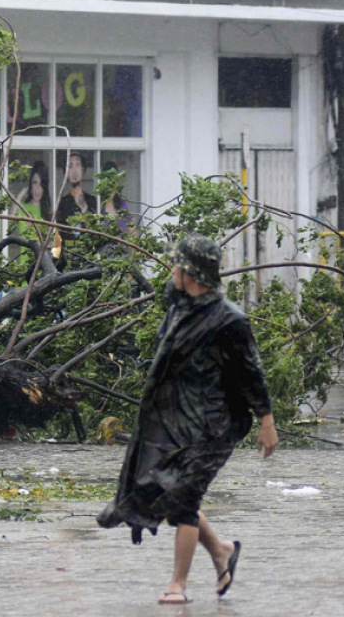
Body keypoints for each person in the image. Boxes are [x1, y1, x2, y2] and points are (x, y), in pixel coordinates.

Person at [97, 234, 279, 605]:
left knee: (183, 498)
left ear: (191, 273)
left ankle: (177, 584)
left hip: (215, 425)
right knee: (170, 490)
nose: (172, 270)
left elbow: (251, 372)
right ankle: (222, 551)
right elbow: (171, 300)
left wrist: (267, 420)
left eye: (178, 266)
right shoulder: (180, 307)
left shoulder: (230, 320)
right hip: (176, 421)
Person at [55, 151, 98, 231]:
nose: (74, 170)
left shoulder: (92, 200)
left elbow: (93, 227)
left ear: (83, 169)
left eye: (78, 164)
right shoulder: (62, 202)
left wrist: (83, 206)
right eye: (70, 166)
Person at [13, 160, 51, 242]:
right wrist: (20, 196)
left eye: (41, 184)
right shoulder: (23, 208)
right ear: (30, 184)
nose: (37, 188)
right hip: (23, 254)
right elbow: (11, 221)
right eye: (35, 182)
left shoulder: (47, 211)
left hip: (41, 254)